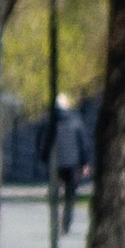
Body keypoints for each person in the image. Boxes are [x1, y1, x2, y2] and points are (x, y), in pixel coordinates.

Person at [41, 93, 90, 238]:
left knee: (54, 195)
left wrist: (44, 159)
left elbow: (43, 144)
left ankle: (55, 222)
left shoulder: (49, 123)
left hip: (55, 164)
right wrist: (85, 163)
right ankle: (66, 223)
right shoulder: (76, 121)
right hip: (73, 164)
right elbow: (83, 144)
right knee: (70, 196)